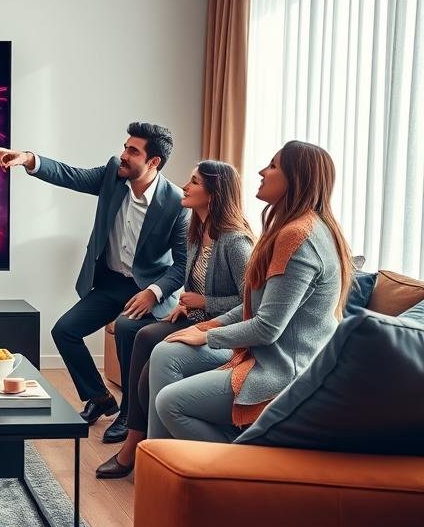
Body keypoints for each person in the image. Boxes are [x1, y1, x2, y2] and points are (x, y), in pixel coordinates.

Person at [148, 140, 352, 443]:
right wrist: (208, 326)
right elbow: (253, 306)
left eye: (273, 166)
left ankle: (230, 460)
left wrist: (208, 336)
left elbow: (267, 328)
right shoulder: (292, 228)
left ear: (295, 178)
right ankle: (158, 458)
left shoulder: (297, 236)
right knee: (165, 353)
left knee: (170, 403)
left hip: (280, 370)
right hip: (262, 355)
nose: (261, 171)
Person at [0, 123, 189, 424]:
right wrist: (28, 159)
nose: (123, 154)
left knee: (127, 331)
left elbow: (182, 265)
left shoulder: (176, 203)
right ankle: (99, 398)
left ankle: (130, 416)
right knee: (64, 331)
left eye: (132, 151)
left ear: (153, 162)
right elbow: (71, 175)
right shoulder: (113, 174)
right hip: (111, 283)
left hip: (146, 290)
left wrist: (153, 293)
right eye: (125, 147)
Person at [96, 160, 253, 478]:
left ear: (214, 193)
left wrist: (205, 302)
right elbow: (194, 283)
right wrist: (186, 305)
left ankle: (138, 446)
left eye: (194, 182)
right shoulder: (197, 229)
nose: (185, 186)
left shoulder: (236, 242)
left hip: (223, 330)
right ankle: (136, 438)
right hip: (196, 318)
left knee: (149, 358)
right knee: (140, 333)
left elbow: (250, 304)